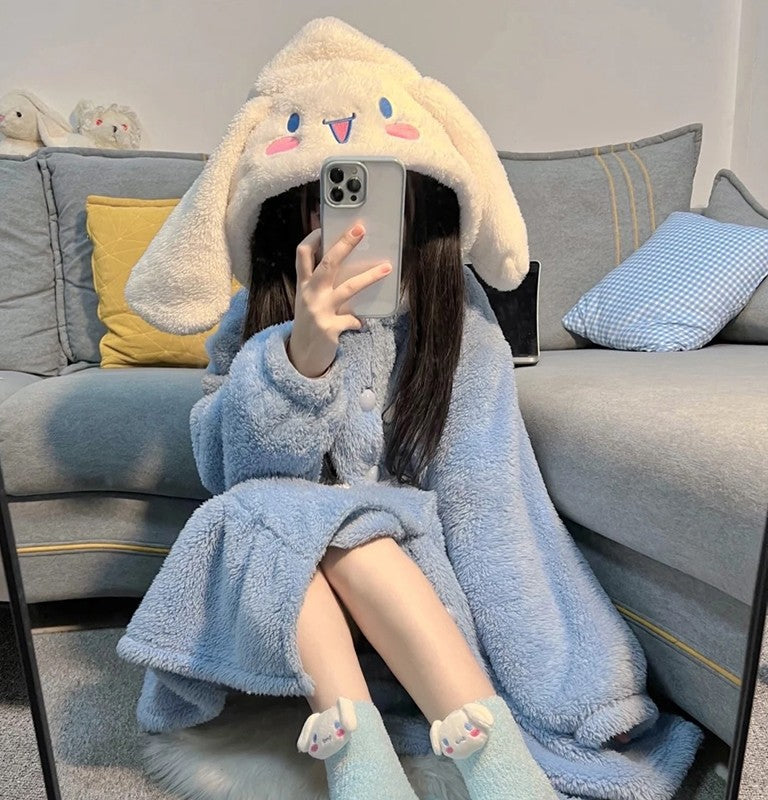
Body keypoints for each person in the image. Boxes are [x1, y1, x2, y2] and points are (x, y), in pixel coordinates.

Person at [117, 17, 702, 800]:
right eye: (322, 196)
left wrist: (574, 689)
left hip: (419, 608)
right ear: (287, 208)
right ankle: (368, 773)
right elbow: (234, 480)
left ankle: (479, 773)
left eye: (376, 192)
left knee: (345, 529)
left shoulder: (460, 324)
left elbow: (491, 505)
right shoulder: (253, 321)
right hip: (295, 611)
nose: (346, 221)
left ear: (418, 200)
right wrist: (300, 356)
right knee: (267, 512)